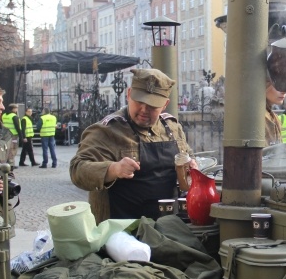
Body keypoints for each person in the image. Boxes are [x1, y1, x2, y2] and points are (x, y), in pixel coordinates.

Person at [70, 68, 197, 223]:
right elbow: (78, 169)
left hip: (167, 223)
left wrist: (191, 165)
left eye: (152, 106)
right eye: (139, 102)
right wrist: (113, 169)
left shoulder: (172, 127)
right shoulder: (107, 130)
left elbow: (188, 156)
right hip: (122, 228)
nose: (144, 110)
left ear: (165, 104)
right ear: (129, 94)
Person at [1, 103, 22, 168]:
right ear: (14, 109)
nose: (17, 110)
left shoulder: (4, 115)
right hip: (14, 136)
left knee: (6, 149)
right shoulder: (14, 117)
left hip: (5, 135)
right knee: (13, 149)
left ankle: (6, 162)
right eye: (16, 108)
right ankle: (11, 164)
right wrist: (21, 136)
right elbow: (18, 127)